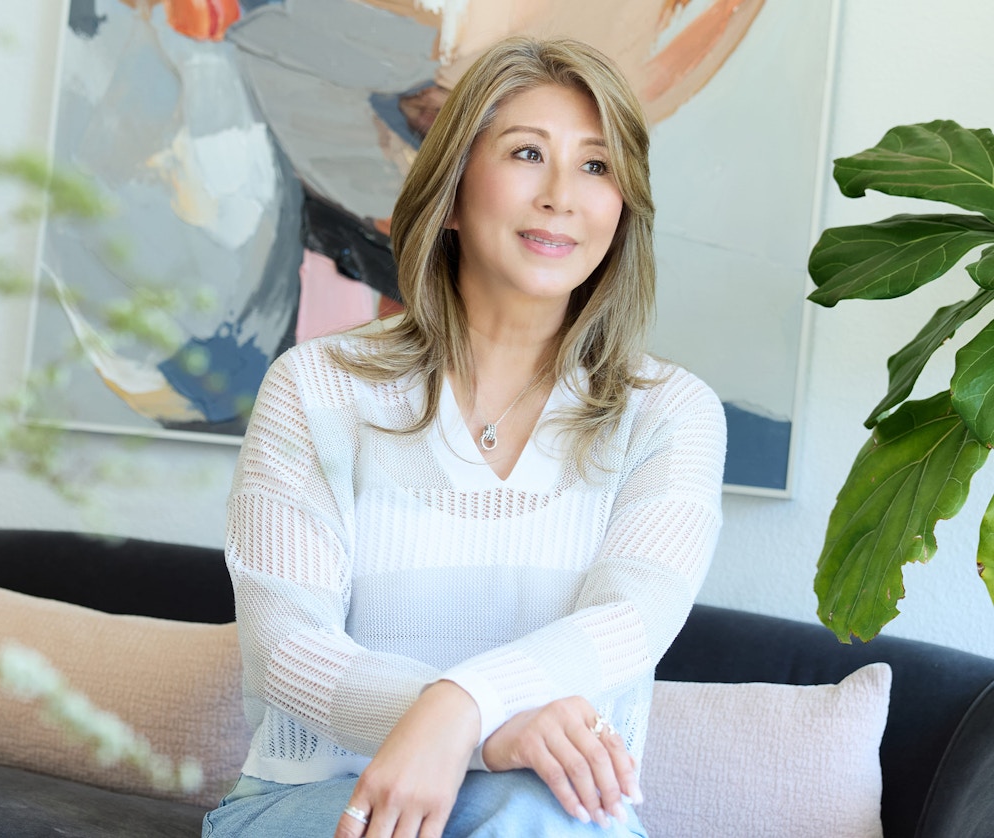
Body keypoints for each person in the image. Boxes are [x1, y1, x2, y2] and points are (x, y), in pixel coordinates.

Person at [203, 36, 726, 838]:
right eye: (526, 153)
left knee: (531, 814)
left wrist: (462, 709)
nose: (562, 194)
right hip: (322, 804)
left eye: (595, 166)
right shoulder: (316, 388)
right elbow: (286, 644)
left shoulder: (671, 414)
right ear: (450, 194)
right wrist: (492, 732)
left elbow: (628, 621)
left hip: (552, 819)